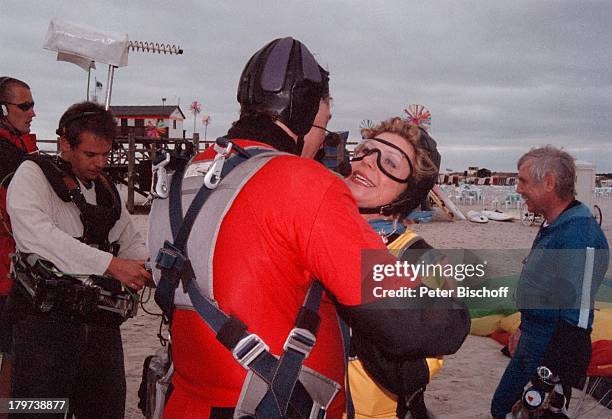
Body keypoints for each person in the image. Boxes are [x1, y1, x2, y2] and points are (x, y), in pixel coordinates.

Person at [147, 37, 468, 418]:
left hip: (185, 400)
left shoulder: (179, 179)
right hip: (265, 405)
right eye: (323, 125)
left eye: (390, 163)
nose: (322, 142)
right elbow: (414, 325)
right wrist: (455, 308)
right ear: (300, 110)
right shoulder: (303, 184)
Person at [5, 101, 151, 418]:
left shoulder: (107, 190)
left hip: (100, 327)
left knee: (105, 411)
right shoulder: (32, 175)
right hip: (42, 326)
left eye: (106, 154)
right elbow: (40, 238)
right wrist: (111, 265)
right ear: (65, 145)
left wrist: (149, 270)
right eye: (90, 155)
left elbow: (131, 241)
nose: (100, 163)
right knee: (37, 412)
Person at [490, 146, 609, 418]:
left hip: (552, 350)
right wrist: (523, 327)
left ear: (549, 183)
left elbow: (577, 318)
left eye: (523, 181)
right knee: (501, 408)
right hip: (534, 338)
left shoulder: (579, 236)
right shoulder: (555, 225)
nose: (518, 189)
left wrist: (550, 377)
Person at [343, 116, 449, 418]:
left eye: (390, 163)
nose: (368, 162)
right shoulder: (316, 233)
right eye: (364, 150)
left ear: (408, 192)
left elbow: (411, 375)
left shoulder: (420, 260)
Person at [0, 76, 37, 306]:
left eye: (32, 105)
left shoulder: (19, 149)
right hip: (7, 272)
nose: (32, 113)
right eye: (24, 106)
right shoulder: (7, 155)